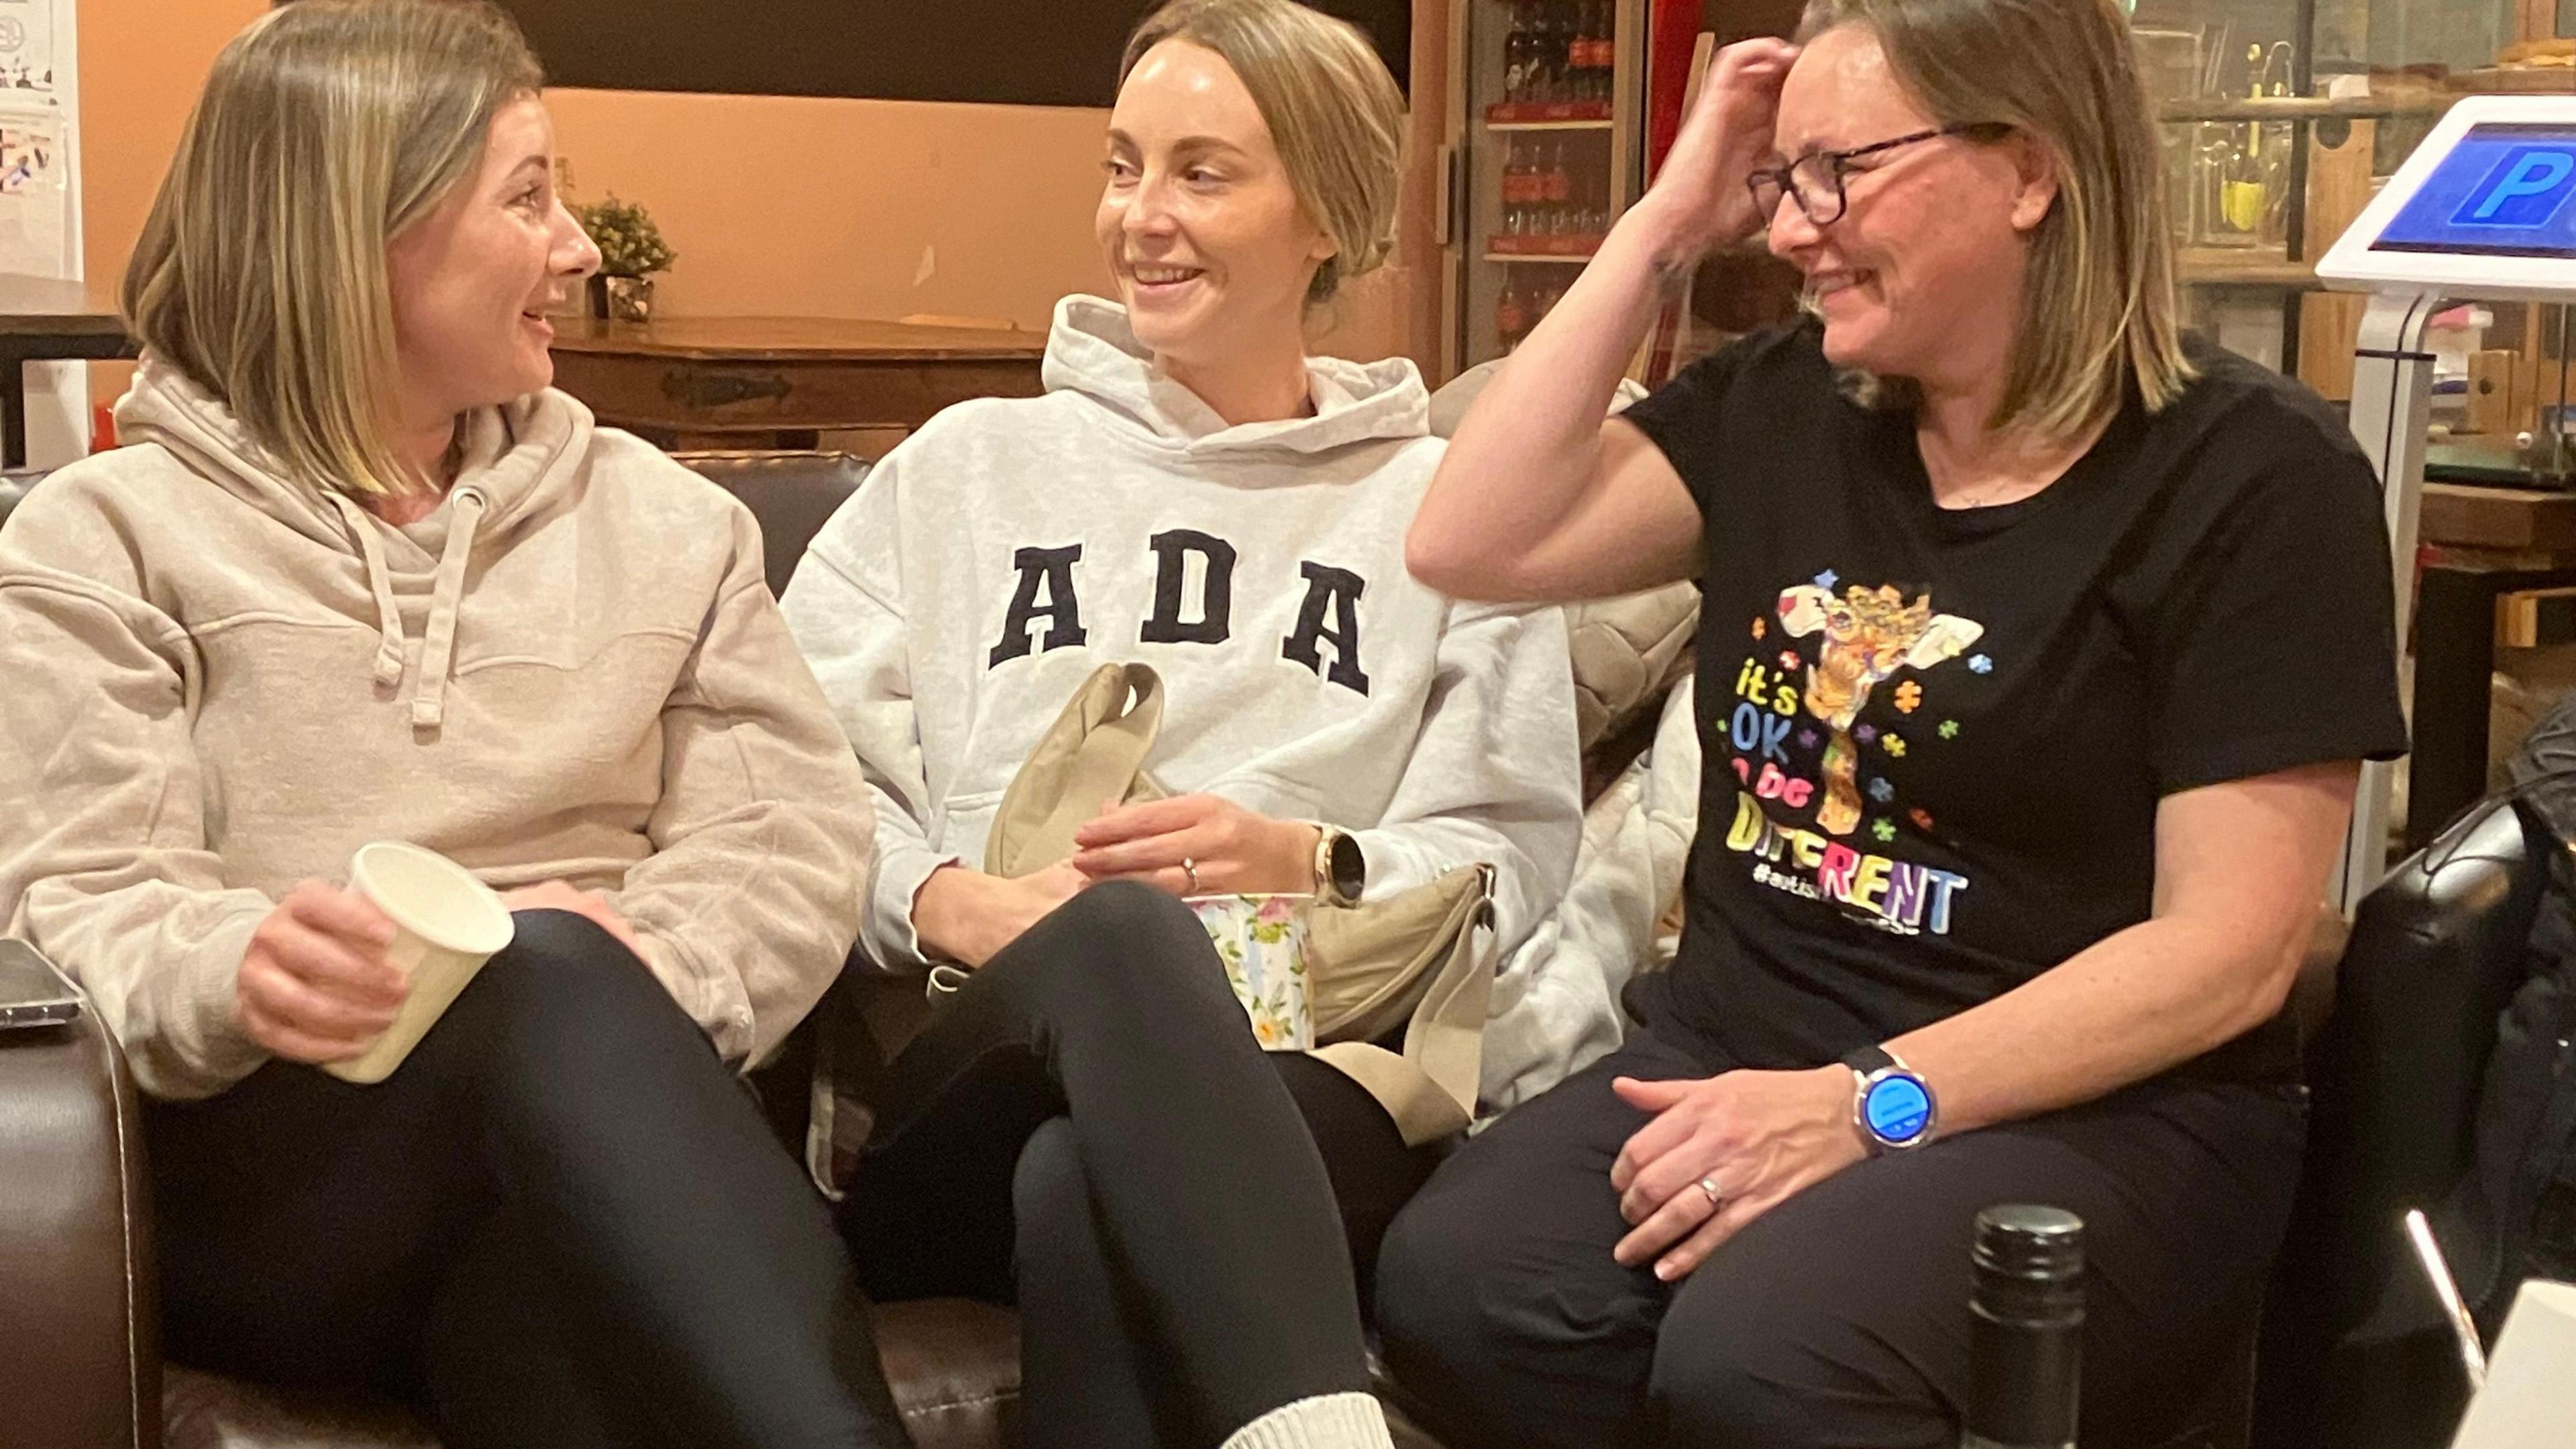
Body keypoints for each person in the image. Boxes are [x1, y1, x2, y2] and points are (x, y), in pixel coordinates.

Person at [1377, 1, 2410, 1446]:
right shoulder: (1790, 408)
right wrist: (1669, 219)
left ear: (2030, 170)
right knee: (1461, 1287)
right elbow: (1467, 539)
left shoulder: (2255, 480)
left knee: (1770, 1363)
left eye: (1839, 173)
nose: (1795, 228)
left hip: (2087, 1112)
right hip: (1739, 1048)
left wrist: (1869, 1107)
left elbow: (2227, 960)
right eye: (1784, 180)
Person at [0, 5, 913, 1445]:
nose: (582, 250)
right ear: (356, 233)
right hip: (285, 1172)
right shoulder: (102, 537)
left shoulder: (672, 525)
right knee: (536, 980)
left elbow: (791, 836)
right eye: (528, 197)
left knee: (546, 1296)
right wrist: (240, 962)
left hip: (607, 1162)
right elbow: (76, 901)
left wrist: (641, 970)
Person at [780, 2, 1582, 1444]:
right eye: (1124, 165)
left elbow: (1513, 854)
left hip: (1314, 1056)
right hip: (981, 1062)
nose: (1142, 218)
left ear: (1328, 216)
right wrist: (943, 898)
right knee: (1123, 939)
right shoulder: (971, 468)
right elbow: (780, 777)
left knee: (1086, 1189)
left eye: (1202, 174)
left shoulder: (1446, 512)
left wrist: (1308, 854)